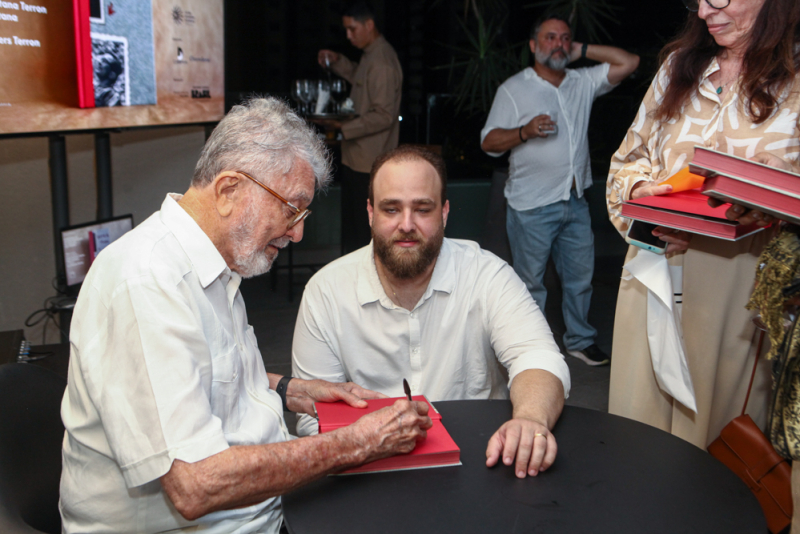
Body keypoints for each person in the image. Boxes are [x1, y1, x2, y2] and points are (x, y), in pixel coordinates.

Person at [59, 98, 433, 534]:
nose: (298, 232)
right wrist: (357, 443)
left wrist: (296, 391)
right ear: (228, 190)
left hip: (261, 510)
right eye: (291, 208)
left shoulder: (216, 264)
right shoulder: (146, 282)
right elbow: (195, 484)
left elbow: (203, 374)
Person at [292, 145, 570, 479]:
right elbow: (312, 417)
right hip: (367, 470)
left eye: (422, 209)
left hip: (479, 462)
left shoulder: (487, 275)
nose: (406, 225)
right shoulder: (326, 291)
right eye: (391, 209)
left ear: (444, 213)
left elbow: (538, 357)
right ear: (370, 213)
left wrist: (531, 419)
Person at [606, 0, 800, 454]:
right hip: (651, 273)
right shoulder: (680, 66)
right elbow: (625, 163)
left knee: (717, 441)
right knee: (638, 433)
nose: (705, 10)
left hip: (738, 292)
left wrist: (776, 192)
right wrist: (641, 197)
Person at [480, 14, 639, 367]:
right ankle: (531, 348)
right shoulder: (514, 88)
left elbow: (629, 62)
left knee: (580, 279)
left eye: (566, 39)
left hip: (574, 200)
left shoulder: (581, 81)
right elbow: (489, 143)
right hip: (531, 204)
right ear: (534, 46)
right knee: (530, 284)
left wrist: (581, 49)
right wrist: (524, 131)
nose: (559, 44)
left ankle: (580, 341)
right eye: (550, 38)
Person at [316, 1, 402, 254]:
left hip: (369, 163)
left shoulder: (383, 62)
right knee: (354, 231)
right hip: (357, 158)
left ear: (369, 25)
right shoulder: (371, 56)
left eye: (352, 29)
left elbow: (384, 116)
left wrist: (343, 129)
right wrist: (338, 61)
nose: (349, 35)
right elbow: (360, 78)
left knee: (363, 235)